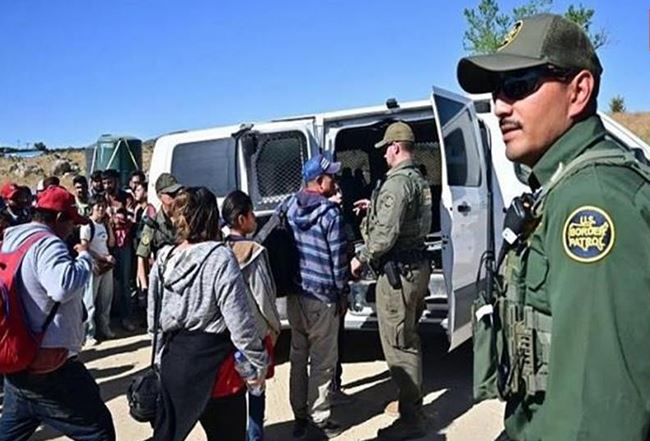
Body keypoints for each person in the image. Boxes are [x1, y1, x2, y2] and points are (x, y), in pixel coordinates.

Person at [457, 13, 650, 441]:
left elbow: (600, 418)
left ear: (578, 91)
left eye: (518, 84)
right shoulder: (558, 188)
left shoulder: (591, 202)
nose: (499, 106)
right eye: (496, 90)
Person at [148, 186, 267, 441]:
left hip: (174, 366)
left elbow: (154, 322)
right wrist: (258, 363)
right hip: (217, 372)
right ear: (212, 216)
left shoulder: (163, 258)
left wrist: (159, 361)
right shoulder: (220, 257)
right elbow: (239, 323)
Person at [0, 185, 115, 440]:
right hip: (49, 365)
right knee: (98, 432)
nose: (72, 229)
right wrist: (84, 259)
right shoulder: (48, 243)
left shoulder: (14, 240)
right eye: (71, 222)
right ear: (60, 218)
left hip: (20, 358)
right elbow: (62, 287)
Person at [350, 121, 432, 441]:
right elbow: (403, 216)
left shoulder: (397, 184)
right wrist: (375, 207)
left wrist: (361, 258)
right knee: (408, 337)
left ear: (396, 147)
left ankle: (411, 418)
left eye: (386, 149)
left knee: (399, 345)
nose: (384, 155)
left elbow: (384, 236)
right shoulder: (417, 179)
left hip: (399, 274)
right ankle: (411, 403)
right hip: (416, 268)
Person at [286, 153, 348, 439]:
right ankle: (319, 419)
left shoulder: (289, 207)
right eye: (330, 176)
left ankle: (299, 417)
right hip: (322, 298)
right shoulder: (330, 215)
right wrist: (342, 293)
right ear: (319, 181)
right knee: (323, 362)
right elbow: (338, 261)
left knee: (298, 357)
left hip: (295, 296)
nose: (334, 181)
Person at [222, 190, 281, 441]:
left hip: (228, 334)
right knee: (256, 388)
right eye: (251, 214)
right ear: (242, 219)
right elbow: (264, 296)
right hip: (254, 333)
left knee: (234, 391)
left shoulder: (219, 250)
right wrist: (274, 328)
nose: (255, 218)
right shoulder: (253, 252)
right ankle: (254, 436)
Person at [136, 173, 181, 294]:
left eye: (177, 193)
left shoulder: (185, 219)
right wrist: (144, 288)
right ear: (160, 196)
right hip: (164, 282)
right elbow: (142, 256)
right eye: (171, 194)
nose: (175, 198)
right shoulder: (153, 224)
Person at [81, 194, 116, 346]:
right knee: (90, 300)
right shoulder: (87, 225)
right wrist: (102, 257)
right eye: (98, 206)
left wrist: (109, 226)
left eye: (103, 206)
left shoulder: (104, 225)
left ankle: (105, 327)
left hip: (107, 266)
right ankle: (88, 333)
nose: (101, 209)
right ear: (92, 207)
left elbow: (112, 243)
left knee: (106, 298)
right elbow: (85, 247)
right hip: (94, 266)